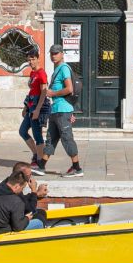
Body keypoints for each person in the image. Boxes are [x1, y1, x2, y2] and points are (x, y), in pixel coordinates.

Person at [40, 44, 83, 177]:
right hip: (56, 110)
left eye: (56, 53)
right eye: (52, 53)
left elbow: (69, 89)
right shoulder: (57, 69)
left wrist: (53, 94)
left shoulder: (64, 68)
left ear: (62, 54)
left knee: (67, 139)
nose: (54, 55)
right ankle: (40, 166)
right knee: (51, 138)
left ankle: (77, 168)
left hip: (63, 110)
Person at [0, 169, 45, 234]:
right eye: (22, 188)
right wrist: (27, 218)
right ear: (17, 186)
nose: (21, 191)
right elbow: (18, 227)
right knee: (39, 222)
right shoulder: (16, 201)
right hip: (0, 232)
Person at [20, 50, 50, 170]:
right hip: (31, 106)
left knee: (38, 135)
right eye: (29, 59)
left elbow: (43, 93)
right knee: (22, 131)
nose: (30, 61)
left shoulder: (42, 73)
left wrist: (37, 110)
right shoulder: (33, 73)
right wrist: (26, 106)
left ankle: (39, 162)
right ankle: (35, 154)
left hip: (38, 107)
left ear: (38, 58)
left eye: (33, 59)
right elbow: (32, 91)